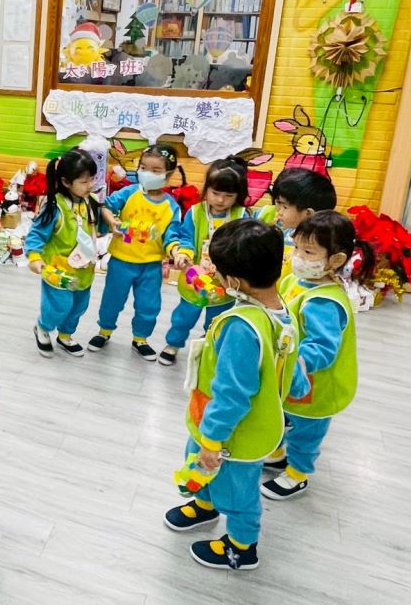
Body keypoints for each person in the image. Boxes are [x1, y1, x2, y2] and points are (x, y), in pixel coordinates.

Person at [163, 218, 294, 571]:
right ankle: (204, 506)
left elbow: (232, 394)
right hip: (213, 418)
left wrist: (212, 440)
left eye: (217, 272)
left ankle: (241, 546)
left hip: (230, 432)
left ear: (234, 282)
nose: (212, 276)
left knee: (238, 491)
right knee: (200, 465)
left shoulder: (241, 328)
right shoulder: (280, 307)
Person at [261, 211, 370, 500]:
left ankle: (298, 473)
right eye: (296, 246)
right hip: (290, 373)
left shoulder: (324, 301)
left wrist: (295, 365)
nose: (297, 256)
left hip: (313, 382)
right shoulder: (296, 281)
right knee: (281, 414)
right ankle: (278, 455)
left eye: (308, 252)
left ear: (335, 260)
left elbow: (322, 347)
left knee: (306, 430)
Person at [89, 143, 185, 359]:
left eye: (156, 170)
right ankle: (104, 331)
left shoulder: (171, 207)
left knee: (148, 305)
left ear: (169, 174)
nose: (147, 173)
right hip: (121, 261)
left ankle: (140, 338)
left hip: (151, 266)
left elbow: (172, 235)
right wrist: (111, 221)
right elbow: (106, 206)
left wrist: (176, 251)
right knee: (112, 300)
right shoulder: (130, 192)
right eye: (143, 168)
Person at [161, 156, 250, 366]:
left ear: (238, 195)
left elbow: (245, 245)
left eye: (228, 196)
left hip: (224, 283)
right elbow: (185, 237)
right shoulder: (196, 212)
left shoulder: (241, 215)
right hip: (194, 278)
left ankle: (210, 347)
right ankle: (173, 344)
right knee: (184, 316)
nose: (220, 200)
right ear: (207, 189)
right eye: (215, 193)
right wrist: (183, 254)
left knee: (217, 321)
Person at [25, 149, 101, 357]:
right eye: (84, 181)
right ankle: (43, 327)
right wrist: (34, 257)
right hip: (58, 271)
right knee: (59, 306)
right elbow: (36, 234)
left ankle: (65, 335)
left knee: (79, 306)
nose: (90, 185)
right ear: (66, 182)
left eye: (92, 179)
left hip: (84, 270)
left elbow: (98, 226)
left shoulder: (91, 201)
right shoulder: (54, 207)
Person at [259, 168, 337, 277]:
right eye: (277, 203)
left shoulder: (321, 242)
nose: (278, 211)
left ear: (308, 214)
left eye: (284, 207)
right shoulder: (281, 227)